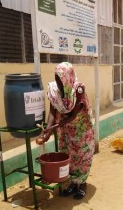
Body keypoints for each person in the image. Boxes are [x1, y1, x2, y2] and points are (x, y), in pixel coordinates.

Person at [36, 62, 95, 200]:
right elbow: (52, 112)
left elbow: (74, 114)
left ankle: (82, 184)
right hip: (67, 129)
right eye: (56, 77)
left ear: (68, 77)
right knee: (68, 155)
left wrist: (57, 126)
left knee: (82, 156)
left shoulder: (78, 89)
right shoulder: (54, 90)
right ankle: (73, 183)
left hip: (82, 128)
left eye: (61, 78)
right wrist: (47, 131)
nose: (58, 81)